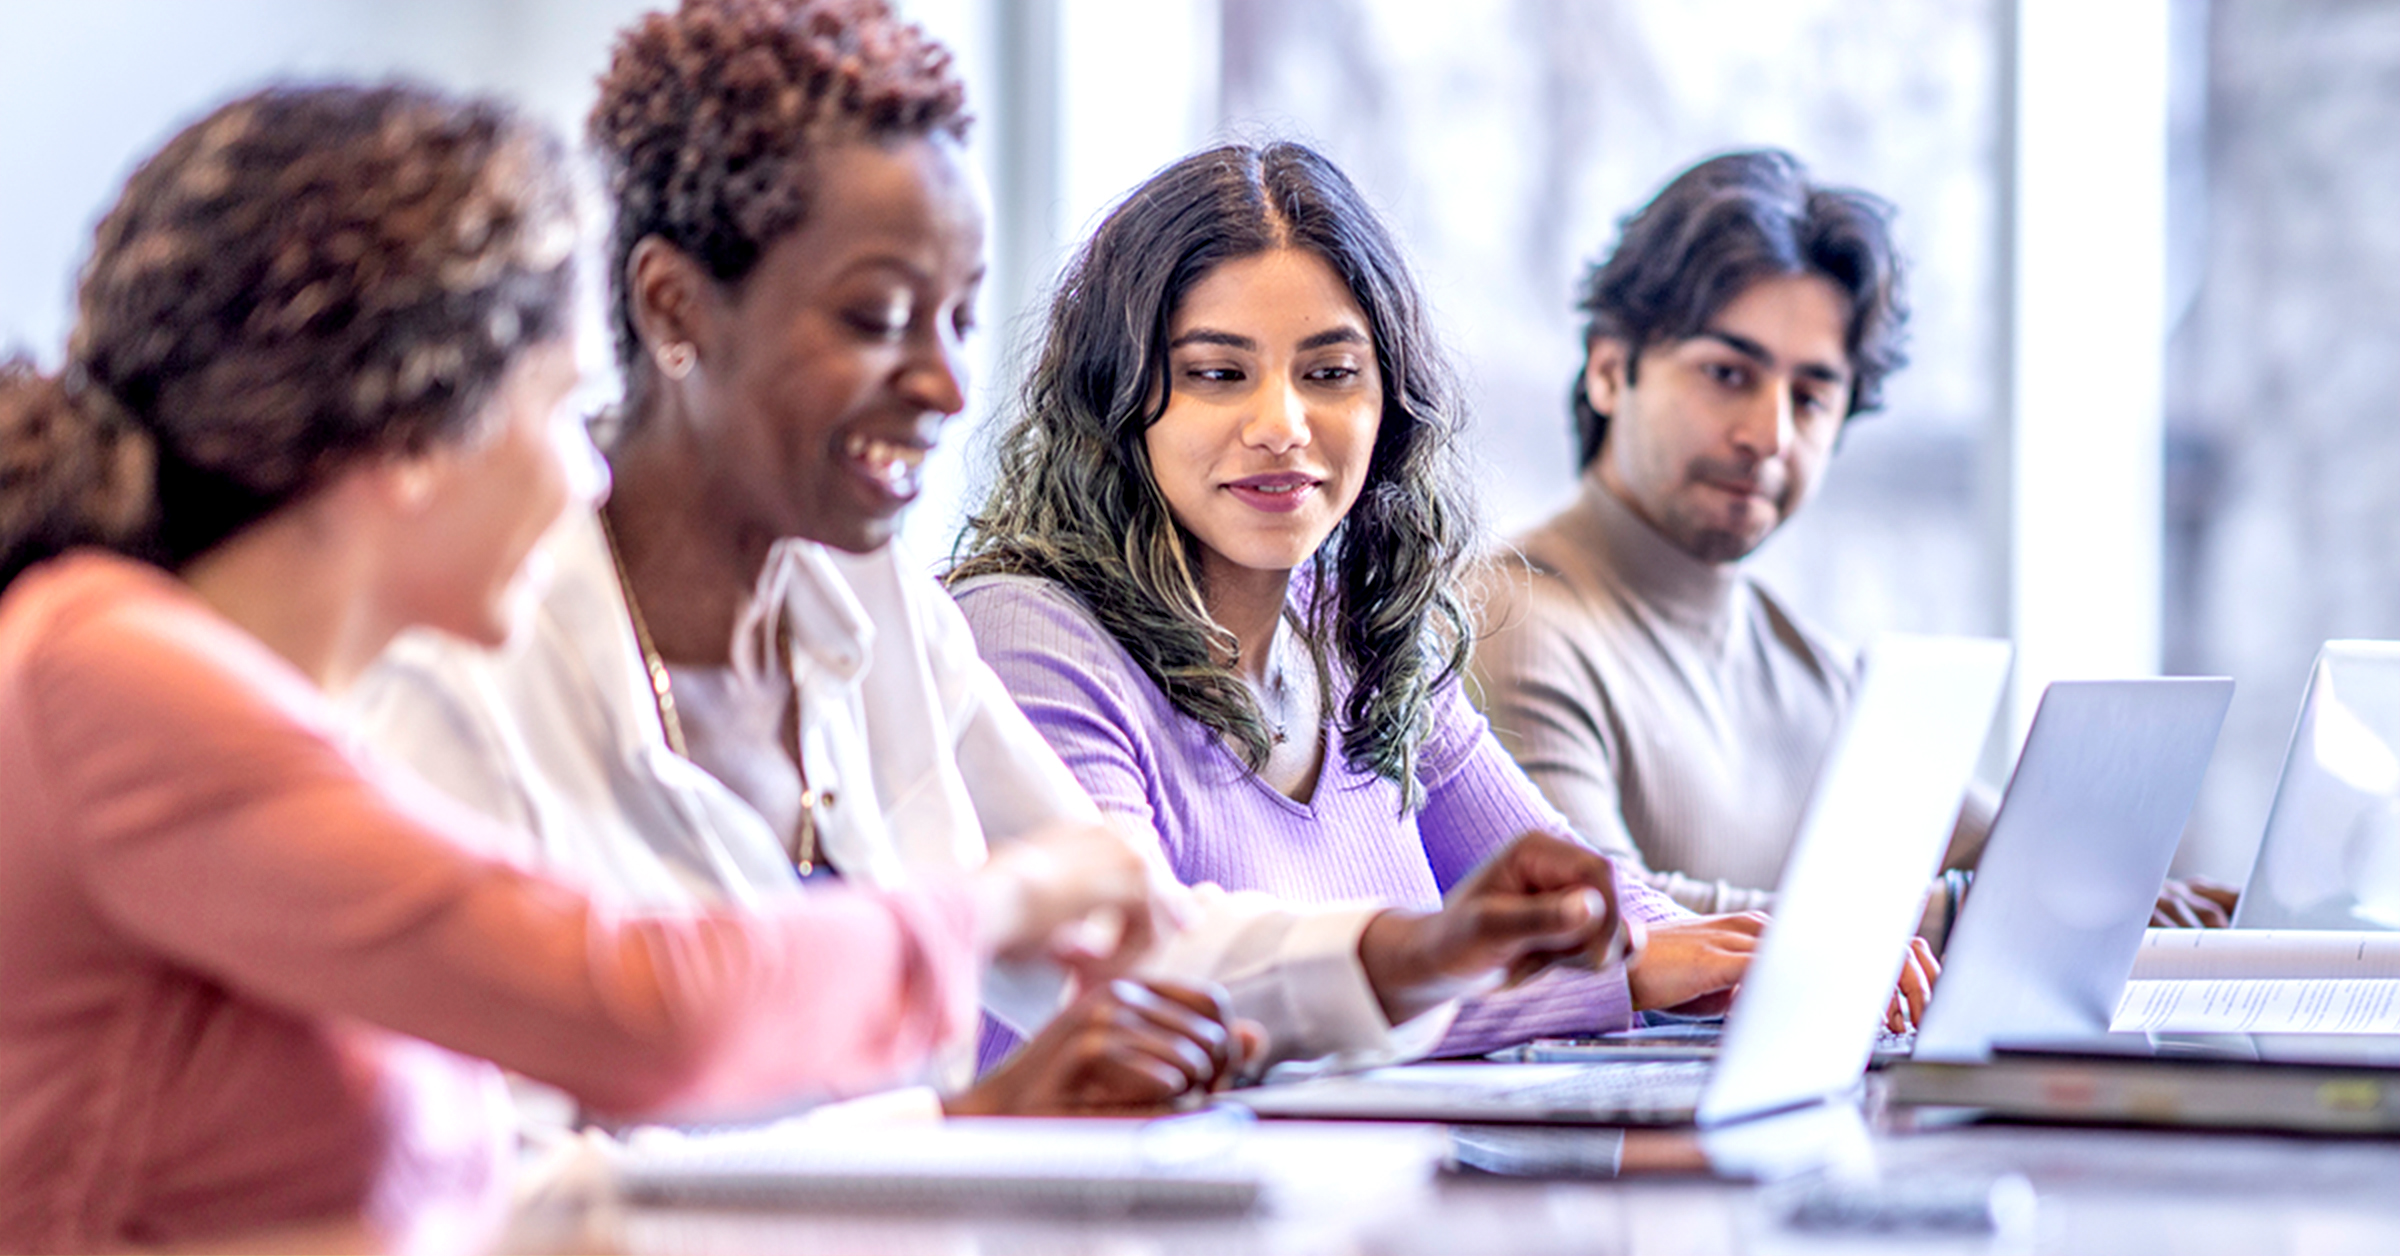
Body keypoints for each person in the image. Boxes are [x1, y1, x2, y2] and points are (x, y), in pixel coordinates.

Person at [353, 0, 1640, 1118]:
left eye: (961, 316)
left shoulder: (873, 610)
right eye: (876, 318)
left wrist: (1433, 947)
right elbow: (498, 1178)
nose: (945, 380)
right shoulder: (464, 668)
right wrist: (970, 1124)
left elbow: (1135, 932)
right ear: (674, 306)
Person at [0, 83, 1180, 1254]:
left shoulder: (253, 708)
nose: (591, 477)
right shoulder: (104, 673)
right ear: (416, 436)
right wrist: (1004, 902)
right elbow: (644, 1007)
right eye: (561, 412)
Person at [948, 140, 1938, 1049]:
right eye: (1216, 373)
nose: (1284, 424)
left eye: (1331, 372)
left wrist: (1771, 957)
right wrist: (1626, 977)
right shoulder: (1026, 635)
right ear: (1116, 393)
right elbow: (1157, 999)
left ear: (1389, 403)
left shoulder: (1357, 634)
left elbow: (1588, 891)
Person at [1468, 149, 2237, 929]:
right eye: (1727, 374)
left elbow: (2041, 862)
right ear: (1607, 370)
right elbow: (1602, 921)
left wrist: (2156, 903)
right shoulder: (1506, 618)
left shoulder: (1813, 672)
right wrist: (1982, 911)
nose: (1769, 435)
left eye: (1810, 397)